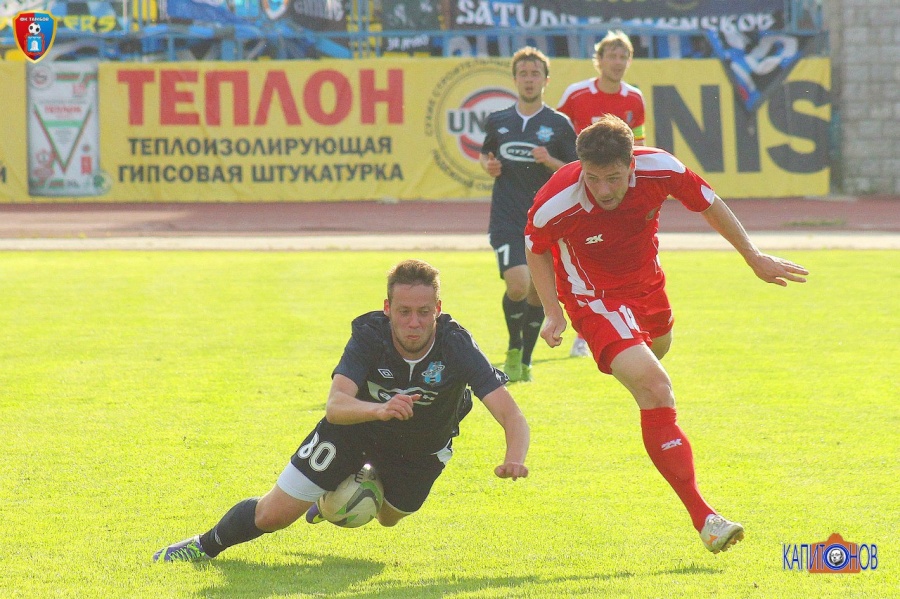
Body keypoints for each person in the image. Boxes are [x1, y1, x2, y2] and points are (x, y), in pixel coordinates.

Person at [524, 115, 809, 553]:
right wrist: (552, 311)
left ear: (632, 165)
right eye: (593, 178)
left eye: (613, 178)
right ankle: (706, 518)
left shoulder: (661, 168)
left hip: (648, 287)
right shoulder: (555, 201)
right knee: (656, 388)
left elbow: (709, 202)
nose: (603, 190)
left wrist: (752, 256)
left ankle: (632, 369)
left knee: (660, 349)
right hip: (594, 299)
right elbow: (535, 247)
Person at [153, 259, 530, 562]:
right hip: (353, 431)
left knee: (387, 517)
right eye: (403, 312)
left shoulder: (457, 346)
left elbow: (511, 415)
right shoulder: (370, 335)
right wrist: (381, 410)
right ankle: (202, 546)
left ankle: (329, 501)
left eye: (423, 312)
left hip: (422, 449)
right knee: (272, 514)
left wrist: (514, 458)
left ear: (438, 310)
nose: (414, 323)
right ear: (387, 309)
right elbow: (336, 407)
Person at [480, 46, 578, 383]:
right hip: (507, 217)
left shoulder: (559, 125)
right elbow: (486, 155)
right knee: (518, 285)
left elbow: (577, 172)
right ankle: (513, 348)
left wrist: (550, 161)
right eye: (523, 73)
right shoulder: (498, 121)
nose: (529, 79)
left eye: (535, 73)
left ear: (546, 80)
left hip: (545, 219)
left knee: (538, 292)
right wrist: (488, 165)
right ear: (514, 79)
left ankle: (525, 359)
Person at [556, 30, 647, 358]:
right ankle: (579, 325)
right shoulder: (577, 94)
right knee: (577, 258)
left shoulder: (634, 98)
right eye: (612, 56)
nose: (618, 62)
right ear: (599, 60)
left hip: (617, 194)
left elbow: (639, 145)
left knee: (617, 258)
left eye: (624, 56)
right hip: (580, 190)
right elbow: (556, 132)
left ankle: (609, 328)